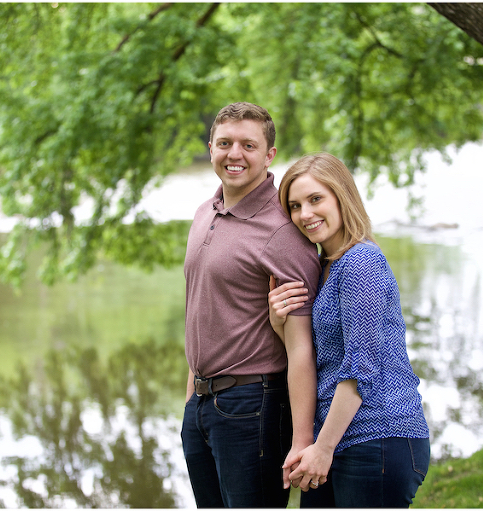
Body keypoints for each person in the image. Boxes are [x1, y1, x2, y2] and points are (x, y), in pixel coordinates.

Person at [267, 152, 430, 508]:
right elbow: (325, 355)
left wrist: (321, 448)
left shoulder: (361, 262)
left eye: (315, 199)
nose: (304, 214)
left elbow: (361, 368)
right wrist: (280, 326)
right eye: (294, 206)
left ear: (342, 196)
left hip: (379, 436)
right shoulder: (327, 268)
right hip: (338, 438)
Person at [181, 102, 322, 507]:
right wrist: (191, 401)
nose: (234, 155)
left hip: (253, 406)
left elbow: (302, 346)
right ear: (211, 148)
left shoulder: (282, 230)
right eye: (224, 143)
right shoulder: (203, 213)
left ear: (269, 155)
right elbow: (200, 312)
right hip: (201, 406)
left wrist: (301, 439)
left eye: (248, 145)